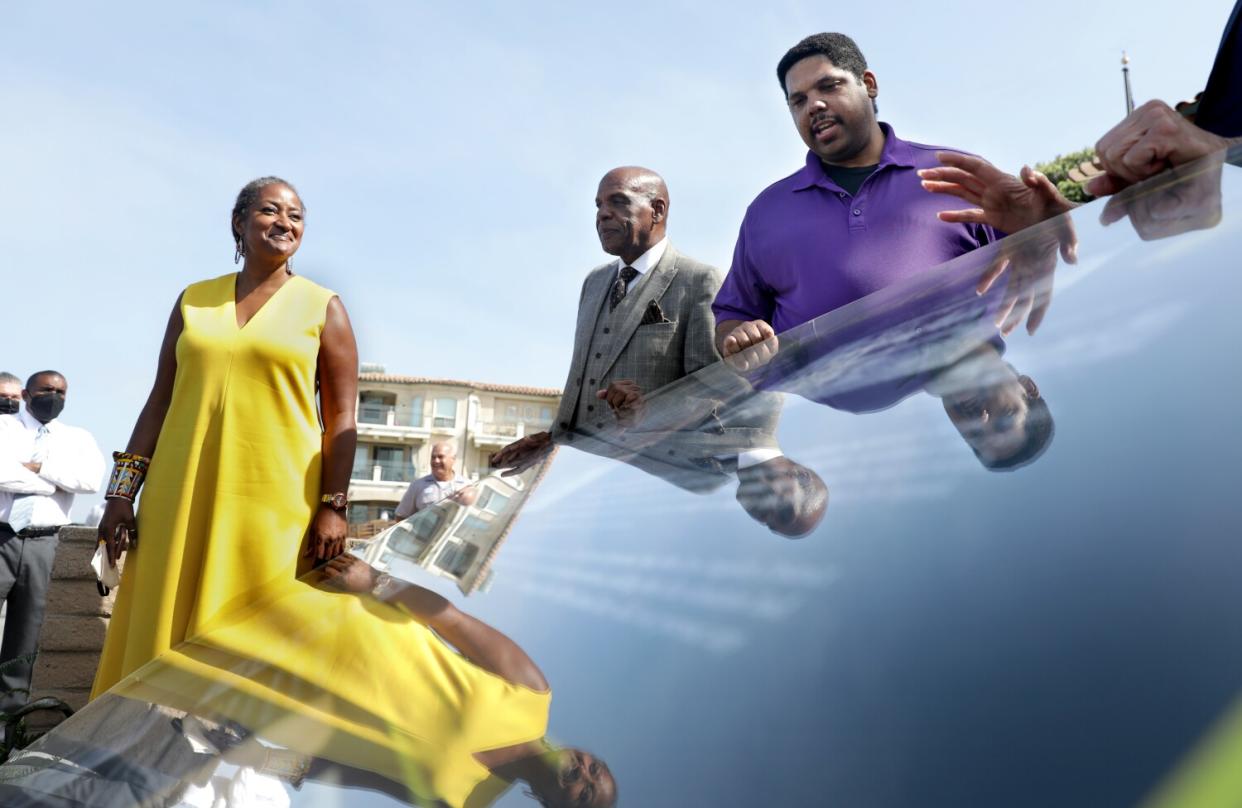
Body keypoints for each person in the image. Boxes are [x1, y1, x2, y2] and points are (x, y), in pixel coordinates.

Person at [90, 176, 360, 698]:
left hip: (274, 500)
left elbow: (343, 416)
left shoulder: (322, 306)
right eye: (269, 211)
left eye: (296, 215)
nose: (285, 222)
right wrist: (121, 493)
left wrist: (334, 505)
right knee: (161, 615)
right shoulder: (195, 300)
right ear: (239, 222)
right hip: (178, 492)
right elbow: (159, 401)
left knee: (254, 626)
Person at [713, 32, 1001, 361]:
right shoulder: (765, 214)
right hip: (817, 409)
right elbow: (732, 315)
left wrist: (1048, 219)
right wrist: (736, 336)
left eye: (828, 86)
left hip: (961, 385)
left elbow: (1044, 268)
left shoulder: (958, 174)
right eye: (799, 101)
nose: (814, 106)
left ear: (869, 84)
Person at [491, 167, 722, 472]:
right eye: (598, 205)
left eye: (618, 202)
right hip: (579, 474)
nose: (602, 214)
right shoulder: (594, 283)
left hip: (648, 476)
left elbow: (713, 393)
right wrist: (551, 442)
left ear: (657, 210)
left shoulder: (699, 280)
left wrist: (647, 412)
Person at [0, 370, 104, 729]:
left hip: (46, 543)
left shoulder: (77, 438)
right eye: (47, 390)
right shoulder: (4, 428)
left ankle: (6, 729)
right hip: (2, 539)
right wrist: (51, 484)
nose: (54, 397)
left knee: (26, 641)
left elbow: (89, 479)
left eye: (61, 391)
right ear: (28, 394)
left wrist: (42, 466)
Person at [394, 440, 477, 519]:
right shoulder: (417, 486)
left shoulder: (467, 486)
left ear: (453, 459)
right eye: (433, 457)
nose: (436, 461)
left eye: (440, 457)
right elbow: (401, 516)